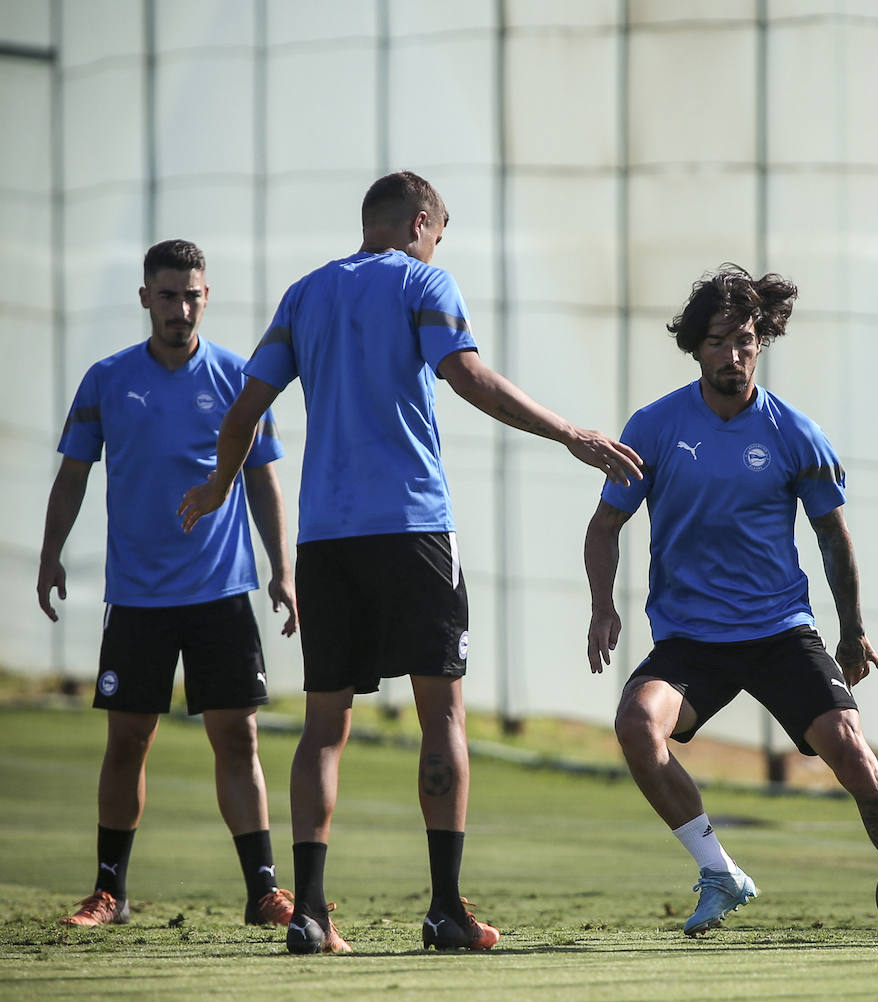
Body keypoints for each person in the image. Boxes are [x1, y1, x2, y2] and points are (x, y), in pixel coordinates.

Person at [178, 170, 644, 955]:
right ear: (421, 222)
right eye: (439, 232)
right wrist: (572, 434)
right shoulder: (424, 280)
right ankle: (444, 910)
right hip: (413, 531)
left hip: (326, 540)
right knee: (443, 716)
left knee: (325, 725)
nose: (437, 245)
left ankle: (312, 913)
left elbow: (245, 410)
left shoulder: (305, 294)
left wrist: (221, 481)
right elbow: (467, 377)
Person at [584, 264, 878, 937]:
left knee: (851, 752)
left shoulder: (796, 434)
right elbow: (604, 526)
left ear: (761, 340)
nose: (732, 355)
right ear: (695, 347)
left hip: (778, 630)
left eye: (744, 340)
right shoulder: (653, 428)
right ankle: (718, 871)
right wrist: (602, 605)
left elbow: (834, 539)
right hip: (691, 640)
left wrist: (852, 632)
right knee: (634, 724)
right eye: (717, 342)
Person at [39, 239, 298, 930]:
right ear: (146, 298)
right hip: (138, 598)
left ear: (206, 297)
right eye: (168, 295)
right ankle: (108, 892)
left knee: (237, 738)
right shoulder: (105, 379)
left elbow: (263, 477)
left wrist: (282, 569)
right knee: (127, 741)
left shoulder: (240, 379)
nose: (180, 308)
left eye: (192, 295)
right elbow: (73, 473)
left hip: (220, 592)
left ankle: (264, 890)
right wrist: (49, 554)